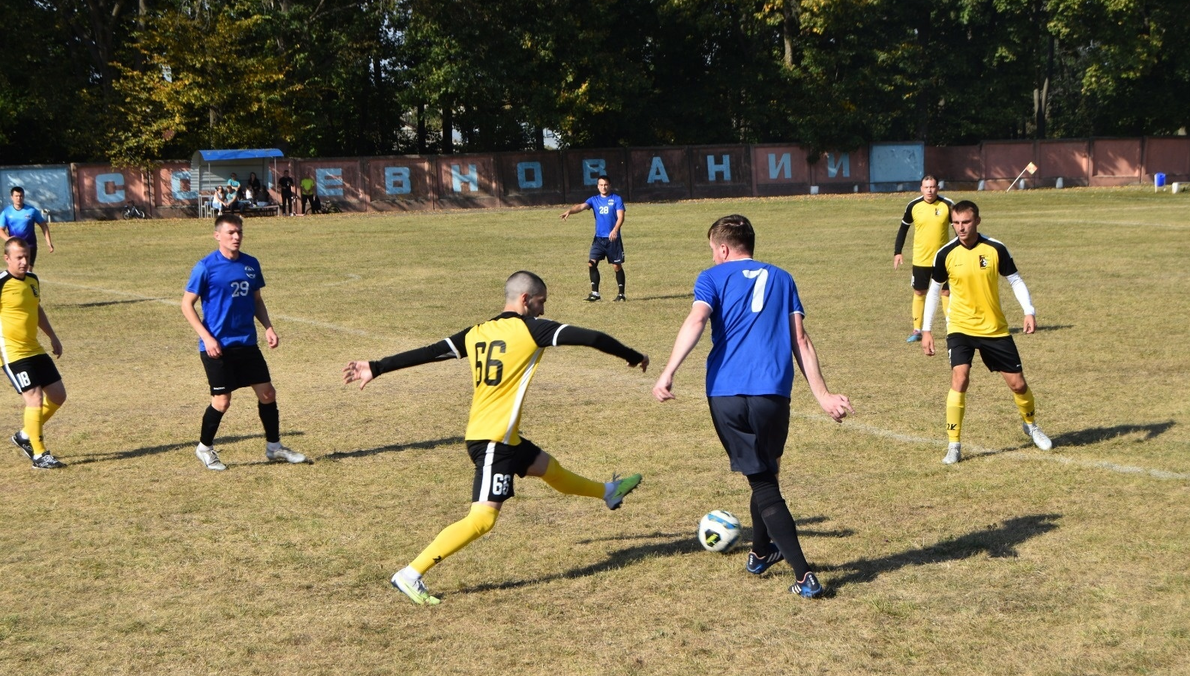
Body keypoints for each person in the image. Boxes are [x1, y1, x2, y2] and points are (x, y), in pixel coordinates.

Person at [343, 270, 649, 606]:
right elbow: (591, 337)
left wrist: (377, 366)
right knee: (483, 518)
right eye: (540, 302)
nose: (543, 310)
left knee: (549, 469)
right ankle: (411, 573)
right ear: (524, 300)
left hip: (502, 436)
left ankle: (608, 492)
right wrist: (632, 356)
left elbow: (428, 352)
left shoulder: (476, 333)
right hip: (492, 441)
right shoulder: (533, 330)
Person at [653, 215, 853, 600]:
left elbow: (697, 319)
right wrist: (824, 396)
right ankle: (761, 553)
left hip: (727, 393)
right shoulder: (782, 277)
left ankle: (804, 574)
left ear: (723, 248)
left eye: (713, 250)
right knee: (766, 470)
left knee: (762, 480)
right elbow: (801, 340)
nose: (712, 257)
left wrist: (668, 372)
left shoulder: (711, 278)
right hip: (773, 394)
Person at [920, 200, 1052, 464]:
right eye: (956, 223)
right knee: (960, 378)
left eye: (965, 222)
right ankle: (954, 445)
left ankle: (1031, 425)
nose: (960, 228)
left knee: (1018, 384)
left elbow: (1014, 279)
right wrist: (926, 329)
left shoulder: (995, 248)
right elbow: (934, 291)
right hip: (960, 328)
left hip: (994, 329)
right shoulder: (945, 254)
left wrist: (1029, 310)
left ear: (977, 221)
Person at [181, 213, 308, 471]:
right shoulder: (205, 267)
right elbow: (186, 305)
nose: (236, 236)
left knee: (267, 393)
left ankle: (274, 447)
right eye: (230, 232)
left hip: (247, 344)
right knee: (222, 402)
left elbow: (256, 301)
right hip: (217, 347)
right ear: (218, 235)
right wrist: (207, 337)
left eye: (239, 232)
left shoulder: (250, 264)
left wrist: (269, 328)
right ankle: (204, 448)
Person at [1, 237, 67, 469]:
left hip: (34, 349)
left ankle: (25, 435)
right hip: (12, 352)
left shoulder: (32, 280)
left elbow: (36, 309)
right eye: (19, 257)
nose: (24, 262)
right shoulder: (1, 282)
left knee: (58, 395)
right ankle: (39, 455)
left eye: (26, 257)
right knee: (35, 398)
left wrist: (52, 336)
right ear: (7, 258)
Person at [893, 175, 952, 342]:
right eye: (926, 187)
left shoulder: (947, 205)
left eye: (932, 187)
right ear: (921, 188)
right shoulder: (913, 206)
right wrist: (898, 252)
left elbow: (959, 231)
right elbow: (903, 229)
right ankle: (917, 330)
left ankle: (951, 329)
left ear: (937, 188)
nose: (930, 190)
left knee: (946, 291)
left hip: (942, 260)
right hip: (921, 259)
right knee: (919, 291)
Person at [560, 175, 627, 302]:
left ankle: (621, 294)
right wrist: (570, 211)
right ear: (597, 186)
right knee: (591, 263)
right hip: (598, 239)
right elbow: (581, 206)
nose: (603, 187)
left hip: (613, 239)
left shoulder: (616, 199)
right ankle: (595, 293)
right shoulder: (594, 200)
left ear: (610, 185)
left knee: (616, 266)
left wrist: (615, 229)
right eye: (601, 185)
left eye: (606, 184)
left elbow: (621, 217)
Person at [0, 187, 54, 269]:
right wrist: (7, 239)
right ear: (12, 197)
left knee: (28, 271)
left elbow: (44, 225)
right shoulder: (6, 212)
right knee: (15, 271)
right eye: (16, 196)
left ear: (24, 196)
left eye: (21, 196)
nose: (19, 198)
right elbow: (0, 230)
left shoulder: (32, 211)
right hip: (15, 247)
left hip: (30, 246)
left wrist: (49, 242)